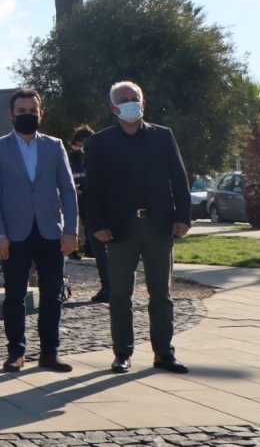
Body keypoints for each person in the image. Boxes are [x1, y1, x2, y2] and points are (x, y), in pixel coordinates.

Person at [84, 80, 191, 375]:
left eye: (135, 98)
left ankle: (164, 354)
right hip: (120, 230)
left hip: (159, 226)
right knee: (120, 295)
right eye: (124, 99)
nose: (130, 102)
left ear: (143, 103)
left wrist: (183, 217)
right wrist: (97, 226)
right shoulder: (101, 142)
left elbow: (179, 180)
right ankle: (122, 354)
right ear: (113, 107)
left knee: (161, 294)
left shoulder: (163, 136)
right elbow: (92, 189)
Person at [0, 89, 79, 373]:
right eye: (21, 111)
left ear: (40, 113)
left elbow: (69, 191)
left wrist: (71, 230)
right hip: (14, 235)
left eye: (32, 111)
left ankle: (50, 352)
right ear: (11, 115)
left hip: (51, 232)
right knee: (14, 295)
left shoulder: (54, 145)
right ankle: (16, 352)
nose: (27, 115)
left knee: (52, 294)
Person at [68, 124, 109, 302]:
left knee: (103, 250)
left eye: (79, 143)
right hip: (87, 206)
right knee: (101, 250)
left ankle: (109, 287)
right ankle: (109, 286)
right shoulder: (79, 157)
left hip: (98, 207)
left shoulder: (99, 154)